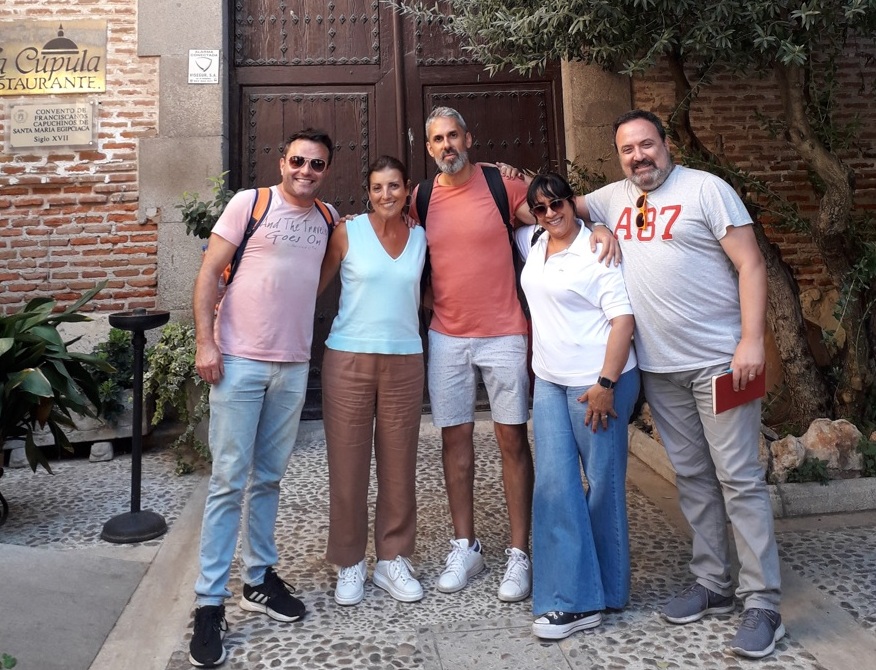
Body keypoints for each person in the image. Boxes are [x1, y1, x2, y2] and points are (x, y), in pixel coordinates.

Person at [580, 109, 783, 659]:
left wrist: (752, 340)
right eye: (627, 150)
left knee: (738, 478)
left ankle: (763, 601)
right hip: (661, 369)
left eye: (646, 145)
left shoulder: (706, 190)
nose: (638, 157)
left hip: (722, 362)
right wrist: (594, 225)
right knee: (692, 475)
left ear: (665, 144)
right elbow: (538, 205)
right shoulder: (611, 199)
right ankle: (714, 583)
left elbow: (752, 265)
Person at [412, 106, 618, 602]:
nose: (447, 146)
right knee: (454, 443)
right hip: (447, 337)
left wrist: (598, 226)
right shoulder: (420, 197)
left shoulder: (500, 186)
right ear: (429, 147)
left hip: (504, 333)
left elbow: (556, 212)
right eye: (438, 139)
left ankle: (519, 555)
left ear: (470, 137)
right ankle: (467, 546)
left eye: (454, 136)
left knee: (512, 443)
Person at [188, 129, 338, 668]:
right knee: (229, 478)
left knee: (270, 476)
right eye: (297, 160)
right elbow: (209, 272)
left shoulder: (327, 218)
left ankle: (257, 578)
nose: (305, 170)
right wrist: (207, 341)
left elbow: (319, 278)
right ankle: (209, 602)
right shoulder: (249, 203)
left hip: (292, 364)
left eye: (316, 164)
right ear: (282, 162)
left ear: (326, 170)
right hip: (238, 360)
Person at [516, 172, 639, 640]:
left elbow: (622, 321)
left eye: (558, 204)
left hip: (597, 384)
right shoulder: (533, 241)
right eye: (541, 208)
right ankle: (571, 599)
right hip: (548, 381)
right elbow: (504, 207)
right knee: (554, 487)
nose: (550, 214)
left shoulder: (597, 250)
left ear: (574, 203)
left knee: (602, 487)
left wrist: (606, 383)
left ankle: (607, 591)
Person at [317, 155, 427, 606]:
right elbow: (311, 286)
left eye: (395, 186)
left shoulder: (421, 236)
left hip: (404, 359)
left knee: (400, 465)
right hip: (348, 359)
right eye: (378, 187)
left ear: (407, 191)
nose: (387, 195)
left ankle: (391, 559)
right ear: (368, 192)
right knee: (348, 465)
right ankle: (350, 562)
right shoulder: (347, 232)